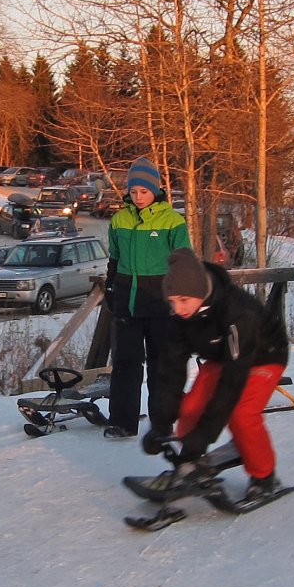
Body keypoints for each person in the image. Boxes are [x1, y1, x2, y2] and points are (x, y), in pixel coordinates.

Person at [137, 248, 289, 502]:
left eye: (183, 300)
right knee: (191, 407)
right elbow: (170, 371)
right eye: (172, 301)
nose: (178, 308)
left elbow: (233, 381)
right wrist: (161, 424)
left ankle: (264, 477)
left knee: (242, 415)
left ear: (199, 292)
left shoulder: (239, 312)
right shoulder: (179, 316)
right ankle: (189, 463)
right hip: (222, 357)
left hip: (264, 357)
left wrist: (205, 434)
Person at [104, 156, 191, 439]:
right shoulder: (119, 220)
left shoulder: (172, 221)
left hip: (162, 305)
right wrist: (110, 288)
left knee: (161, 364)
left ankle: (163, 423)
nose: (139, 197)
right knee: (126, 363)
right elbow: (114, 260)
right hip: (127, 302)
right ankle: (122, 422)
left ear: (156, 191)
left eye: (144, 191)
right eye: (133, 192)